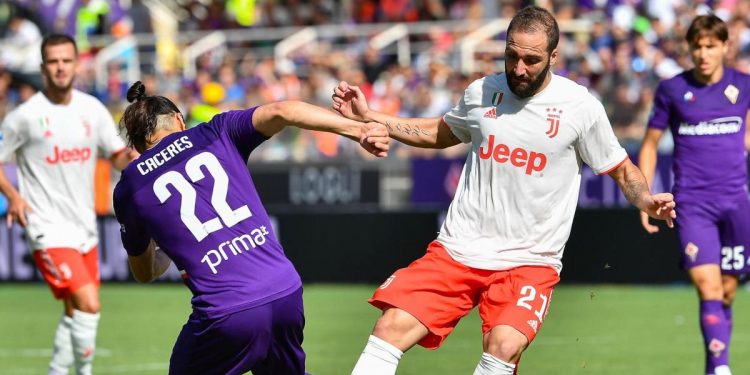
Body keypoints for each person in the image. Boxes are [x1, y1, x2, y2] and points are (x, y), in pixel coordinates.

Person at [332, 6, 677, 375]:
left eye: (531, 59)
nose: (519, 68)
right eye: (512, 56)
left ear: (553, 57)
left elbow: (623, 171)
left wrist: (646, 199)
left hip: (530, 261)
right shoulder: (483, 91)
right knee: (390, 327)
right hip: (459, 250)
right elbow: (438, 132)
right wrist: (370, 117)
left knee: (504, 345)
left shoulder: (581, 108)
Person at [112, 81, 389, 375]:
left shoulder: (131, 185)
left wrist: (168, 236)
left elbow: (144, 272)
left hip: (226, 312)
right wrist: (358, 130)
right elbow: (284, 110)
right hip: (286, 292)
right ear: (179, 119)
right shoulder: (216, 132)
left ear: (138, 145)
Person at [0, 34, 136, 375]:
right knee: (89, 303)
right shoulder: (25, 116)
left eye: (66, 60)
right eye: (53, 61)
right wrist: (14, 196)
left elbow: (117, 154)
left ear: (76, 64)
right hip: (46, 227)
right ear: (44, 67)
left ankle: (57, 371)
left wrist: (139, 161)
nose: (60, 67)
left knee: (76, 311)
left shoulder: (91, 109)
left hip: (84, 228)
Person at [638, 14, 750, 375]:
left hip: (737, 203)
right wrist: (645, 195)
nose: (703, 53)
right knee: (707, 287)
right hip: (692, 204)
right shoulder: (672, 90)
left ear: (724, 47)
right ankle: (721, 369)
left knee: (727, 292)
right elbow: (650, 145)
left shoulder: (743, 86)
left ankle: (714, 365)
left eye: (711, 46)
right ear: (689, 48)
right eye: (697, 46)